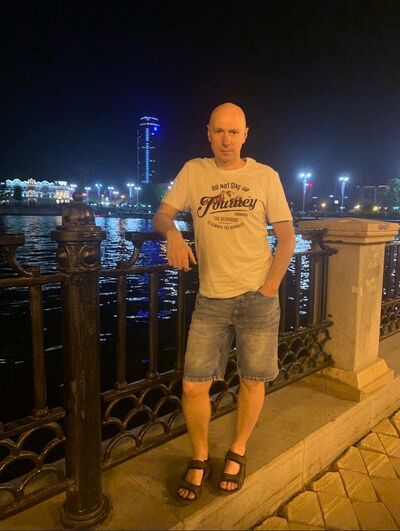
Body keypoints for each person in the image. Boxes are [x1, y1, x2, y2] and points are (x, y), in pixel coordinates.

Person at [152, 102, 295, 501]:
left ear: (245, 135)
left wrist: (269, 288)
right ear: (208, 133)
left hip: (257, 297)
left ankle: (238, 450)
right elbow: (161, 215)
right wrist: (173, 233)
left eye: (233, 132)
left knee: (252, 379)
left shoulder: (265, 176)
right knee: (193, 385)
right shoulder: (194, 171)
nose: (226, 140)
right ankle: (200, 456)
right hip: (211, 299)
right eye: (219, 131)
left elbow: (287, 238)